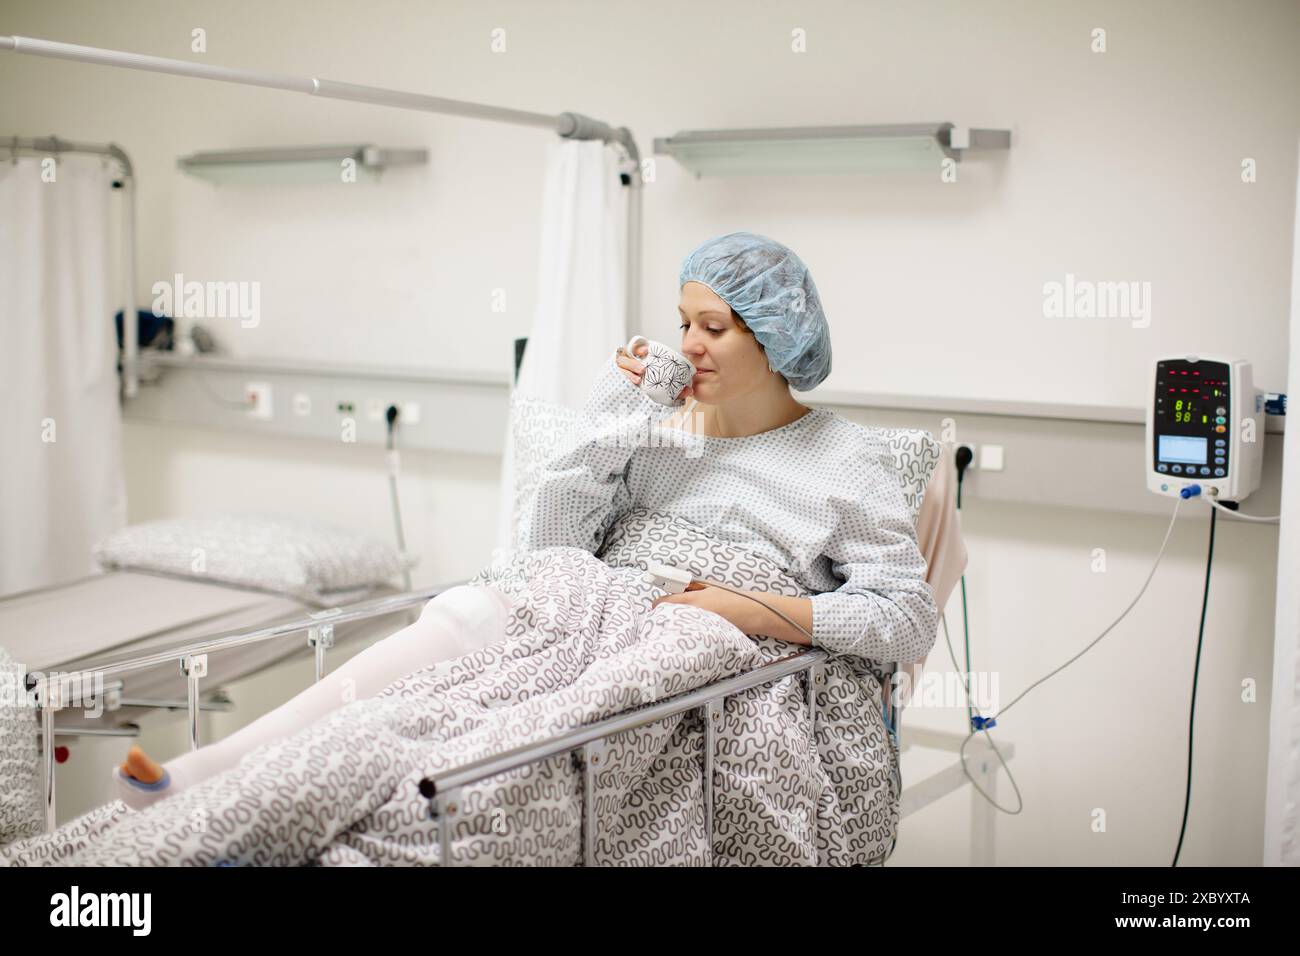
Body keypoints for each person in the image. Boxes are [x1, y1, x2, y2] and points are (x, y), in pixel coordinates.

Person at [117, 230, 938, 811]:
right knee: (475, 607)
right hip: (587, 611)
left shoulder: (845, 460)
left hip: (699, 645)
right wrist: (621, 410)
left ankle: (399, 794)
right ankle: (215, 769)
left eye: (711, 328)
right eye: (682, 322)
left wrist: (747, 610)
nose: (686, 344)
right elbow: (549, 549)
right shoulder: (660, 436)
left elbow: (904, 617)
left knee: (537, 714)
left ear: (775, 338)